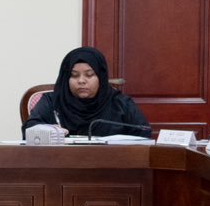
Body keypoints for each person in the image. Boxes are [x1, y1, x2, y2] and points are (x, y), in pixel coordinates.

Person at [24, 47, 152, 139]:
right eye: (74, 75)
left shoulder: (120, 104)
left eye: (89, 75)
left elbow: (143, 134)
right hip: (60, 165)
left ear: (101, 77)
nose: (81, 81)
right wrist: (48, 131)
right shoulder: (51, 102)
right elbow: (29, 131)